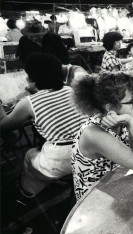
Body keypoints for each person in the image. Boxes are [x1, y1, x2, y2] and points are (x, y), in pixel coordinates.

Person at [0, 53, 87, 198]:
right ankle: (45, 180)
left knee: (29, 155)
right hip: (86, 151)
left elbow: (3, 125)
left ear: (31, 79)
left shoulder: (29, 103)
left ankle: (27, 190)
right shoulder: (70, 90)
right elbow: (53, 100)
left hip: (63, 159)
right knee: (40, 149)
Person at [71, 72, 133, 200]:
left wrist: (129, 123)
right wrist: (131, 121)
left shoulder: (117, 120)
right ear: (110, 107)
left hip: (115, 184)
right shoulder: (94, 134)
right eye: (132, 101)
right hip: (94, 201)